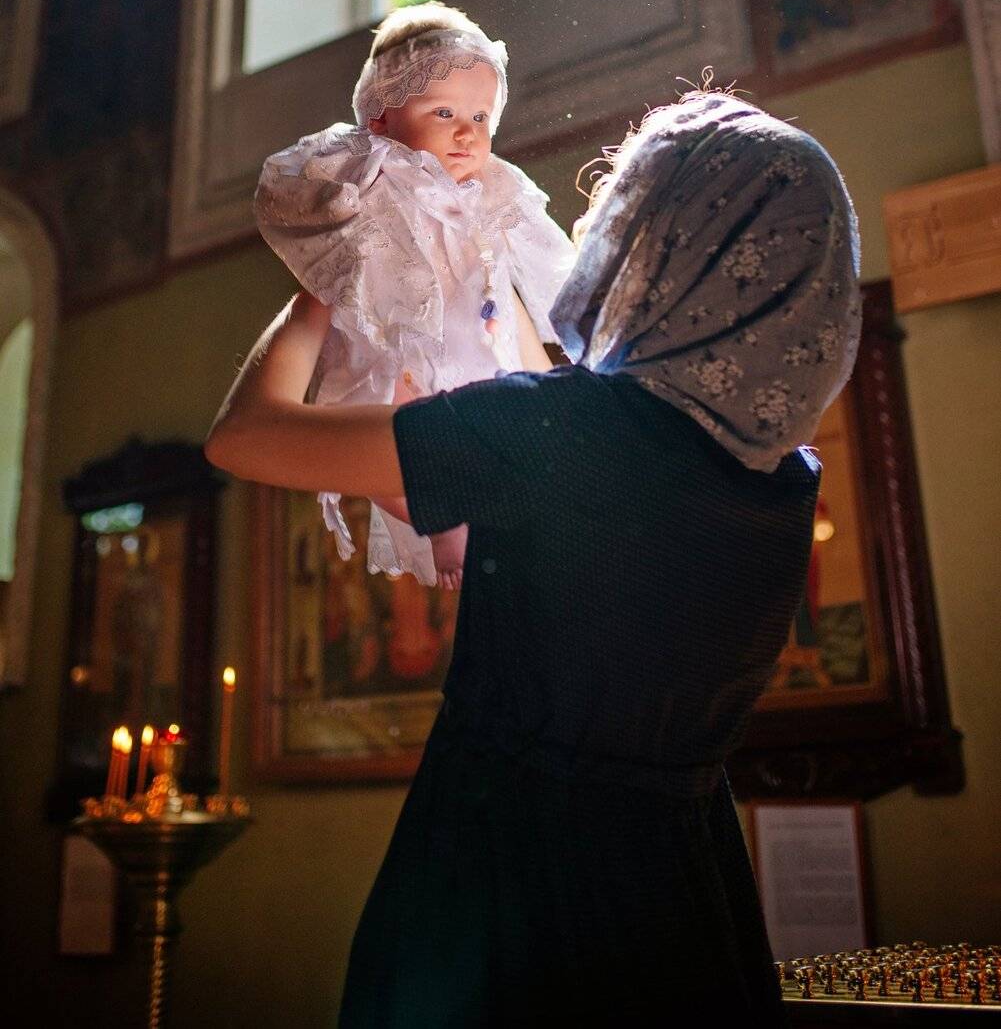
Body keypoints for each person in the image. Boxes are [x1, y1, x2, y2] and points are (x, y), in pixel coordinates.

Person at [206, 90, 861, 1025]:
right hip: (684, 901)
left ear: (661, 247)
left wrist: (328, 279)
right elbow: (534, 543)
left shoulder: (555, 432)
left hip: (504, 888)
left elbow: (246, 439)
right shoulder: (782, 481)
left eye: (620, 210)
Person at [254, 2, 575, 588]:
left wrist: (553, 377)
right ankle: (442, 523)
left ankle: (498, 514)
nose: (466, 132)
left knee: (528, 417)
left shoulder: (494, 191)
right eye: (444, 111)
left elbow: (516, 285)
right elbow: (320, 214)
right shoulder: (374, 178)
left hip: (482, 345)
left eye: (480, 116)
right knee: (387, 433)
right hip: (395, 343)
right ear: (380, 120)